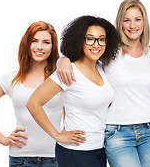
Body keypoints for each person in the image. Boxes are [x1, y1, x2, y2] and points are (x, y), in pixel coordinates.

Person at [56, 0, 150, 167]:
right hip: (117, 132)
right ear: (120, 23)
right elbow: (83, 55)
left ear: (144, 22)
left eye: (137, 19)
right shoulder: (109, 52)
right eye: (126, 20)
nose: (132, 25)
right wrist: (63, 60)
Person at [26, 15, 121, 167]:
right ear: (79, 40)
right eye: (90, 38)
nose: (96, 44)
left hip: (98, 148)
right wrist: (57, 135)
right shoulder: (68, 71)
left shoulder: (102, 68)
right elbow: (33, 103)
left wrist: (62, 59)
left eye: (101, 39)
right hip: (75, 151)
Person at [0, 21, 61, 167]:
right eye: (34, 41)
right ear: (27, 44)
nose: (39, 47)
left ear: (53, 46)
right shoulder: (10, 79)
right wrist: (3, 139)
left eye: (46, 42)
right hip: (21, 158)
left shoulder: (61, 79)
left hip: (56, 157)